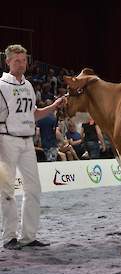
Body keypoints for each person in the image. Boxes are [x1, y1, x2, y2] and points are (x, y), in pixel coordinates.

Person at [0, 44, 64, 250]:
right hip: (7, 140)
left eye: (24, 60)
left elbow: (33, 114)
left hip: (27, 141)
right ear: (7, 61)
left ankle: (28, 236)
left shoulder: (28, 85)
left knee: (33, 189)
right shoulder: (1, 85)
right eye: (17, 60)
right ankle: (9, 237)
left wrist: (53, 107)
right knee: (7, 191)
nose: (22, 64)